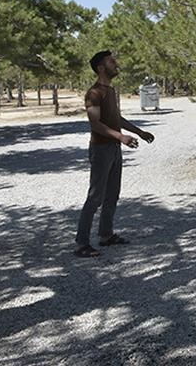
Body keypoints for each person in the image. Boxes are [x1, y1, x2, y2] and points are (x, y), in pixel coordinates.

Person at [75, 51, 155, 258]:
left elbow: (116, 118)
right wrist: (121, 137)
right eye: (111, 62)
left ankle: (106, 235)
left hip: (113, 148)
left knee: (112, 194)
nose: (115, 64)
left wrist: (139, 132)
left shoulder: (110, 91)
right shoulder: (94, 93)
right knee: (95, 197)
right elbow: (96, 124)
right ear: (101, 68)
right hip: (101, 149)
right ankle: (81, 243)